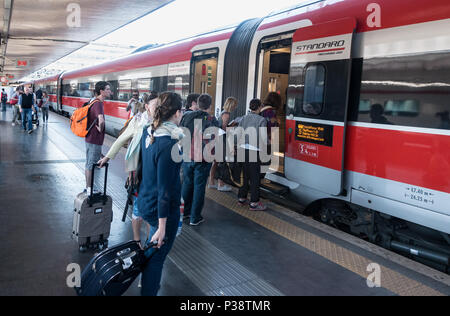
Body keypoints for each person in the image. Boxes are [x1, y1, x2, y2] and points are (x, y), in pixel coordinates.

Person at [138, 92, 184, 296]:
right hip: (162, 209)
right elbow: (165, 189)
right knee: (157, 257)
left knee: (152, 251)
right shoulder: (170, 144)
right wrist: (163, 226)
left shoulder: (148, 133)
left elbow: (142, 169)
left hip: (146, 201)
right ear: (177, 113)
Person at [98, 93, 159, 247]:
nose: (158, 108)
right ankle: (137, 240)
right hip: (138, 171)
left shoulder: (162, 123)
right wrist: (107, 157)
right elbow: (121, 139)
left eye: (160, 105)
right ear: (147, 106)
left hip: (155, 172)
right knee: (138, 207)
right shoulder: (138, 121)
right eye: (155, 105)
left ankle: (149, 241)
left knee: (151, 210)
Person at [181, 94, 219, 226]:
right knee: (199, 187)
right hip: (203, 158)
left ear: (197, 103)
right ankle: (195, 217)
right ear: (210, 105)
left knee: (187, 183)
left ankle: (184, 212)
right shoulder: (212, 120)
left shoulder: (186, 115)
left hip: (187, 156)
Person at [236, 98, 268, 211]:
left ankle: (241, 198)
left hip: (242, 149)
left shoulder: (243, 118)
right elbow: (264, 138)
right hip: (254, 150)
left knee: (244, 175)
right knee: (255, 178)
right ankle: (254, 202)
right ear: (259, 107)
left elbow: (238, 133)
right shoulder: (262, 120)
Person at [84, 81, 111, 194]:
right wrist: (101, 128)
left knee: (89, 162)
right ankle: (90, 189)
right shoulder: (98, 103)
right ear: (101, 91)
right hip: (94, 139)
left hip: (90, 138)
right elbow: (101, 120)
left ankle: (88, 187)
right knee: (91, 163)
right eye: (108, 89)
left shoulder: (93, 101)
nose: (110, 91)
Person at [209, 96, 238, 191]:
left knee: (216, 162)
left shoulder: (222, 113)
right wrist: (232, 125)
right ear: (231, 105)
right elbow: (224, 128)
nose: (235, 107)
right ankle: (221, 184)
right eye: (235, 105)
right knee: (222, 162)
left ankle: (211, 182)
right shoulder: (226, 114)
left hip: (217, 138)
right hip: (221, 139)